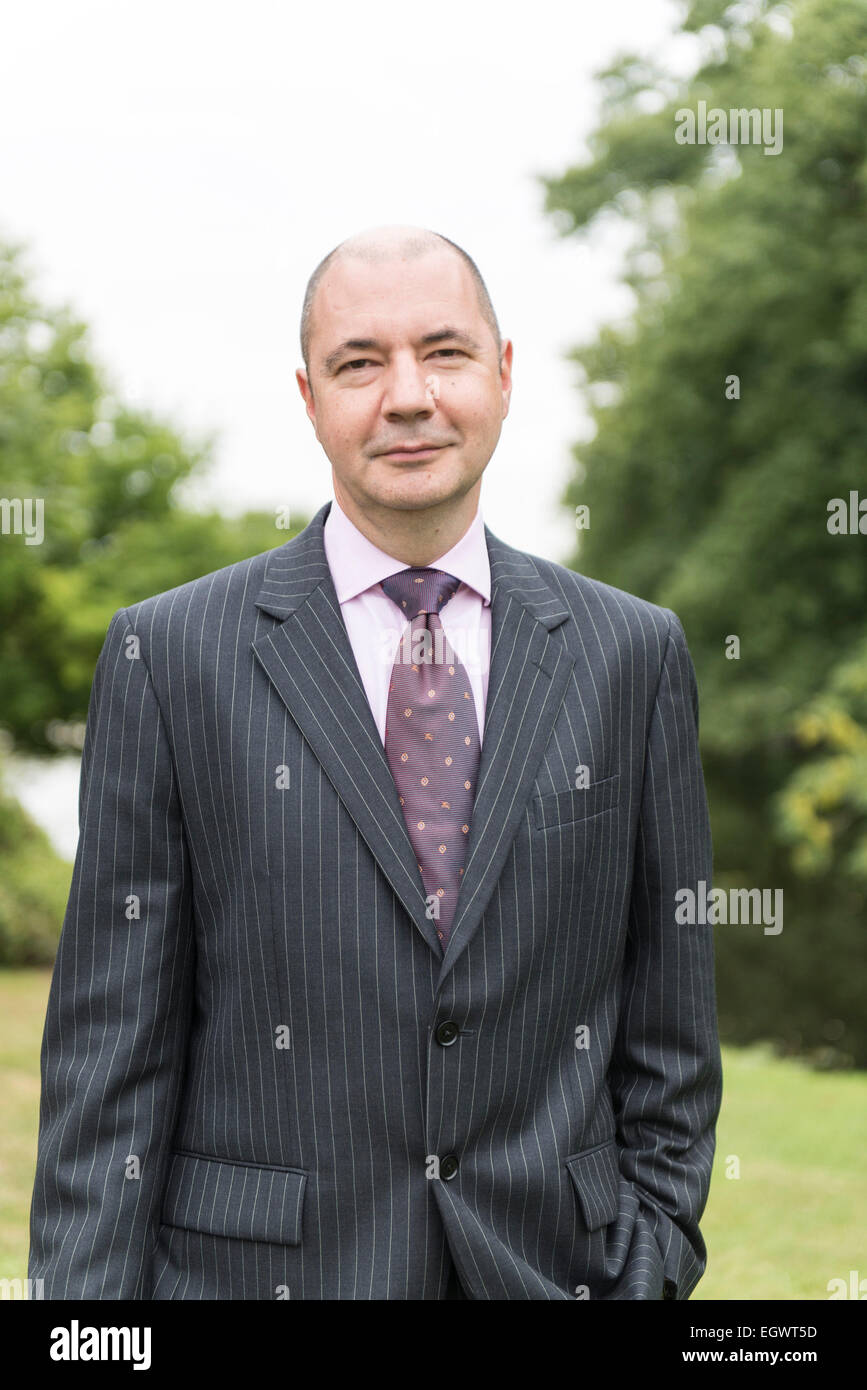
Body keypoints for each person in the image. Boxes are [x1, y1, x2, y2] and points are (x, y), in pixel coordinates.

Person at [29, 224, 722, 1300]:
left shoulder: (632, 655)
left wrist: (652, 1256)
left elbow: (670, 1028)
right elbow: (108, 1065)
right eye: (360, 362)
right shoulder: (168, 656)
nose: (407, 396)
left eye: (443, 352)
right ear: (309, 398)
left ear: (503, 373)